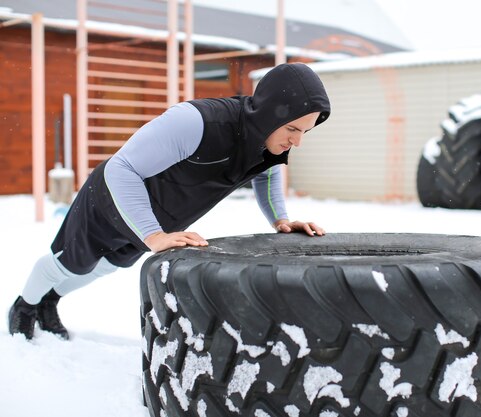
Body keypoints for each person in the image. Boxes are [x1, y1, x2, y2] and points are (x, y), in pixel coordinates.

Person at [9, 62, 331, 340]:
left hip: (153, 222)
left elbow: (267, 173)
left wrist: (280, 220)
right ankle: (24, 306)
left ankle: (48, 301)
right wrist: (153, 234)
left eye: (305, 131)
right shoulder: (196, 122)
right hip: (110, 201)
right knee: (73, 262)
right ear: (269, 112)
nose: (297, 142)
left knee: (104, 267)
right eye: (292, 128)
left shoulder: (266, 142)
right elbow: (122, 169)